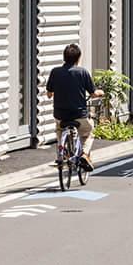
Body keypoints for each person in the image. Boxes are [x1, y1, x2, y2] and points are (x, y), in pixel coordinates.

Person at [48, 43, 98, 172]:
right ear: (78, 58)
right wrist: (100, 93)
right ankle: (85, 155)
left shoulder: (55, 72)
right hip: (79, 114)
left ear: (64, 57)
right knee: (88, 132)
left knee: (59, 129)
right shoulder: (82, 72)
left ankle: (61, 152)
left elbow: (49, 94)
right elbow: (93, 94)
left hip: (60, 114)